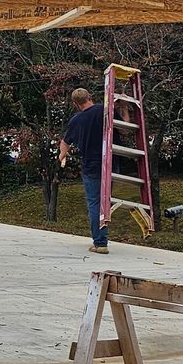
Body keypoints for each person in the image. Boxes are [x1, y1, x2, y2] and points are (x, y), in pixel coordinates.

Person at [59, 87, 109, 253]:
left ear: (75, 104)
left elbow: (65, 142)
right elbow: (123, 128)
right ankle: (103, 237)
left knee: (95, 202)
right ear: (90, 97)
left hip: (91, 166)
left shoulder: (76, 120)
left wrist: (61, 156)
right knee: (106, 202)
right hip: (110, 164)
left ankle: (100, 243)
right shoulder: (105, 110)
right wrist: (123, 109)